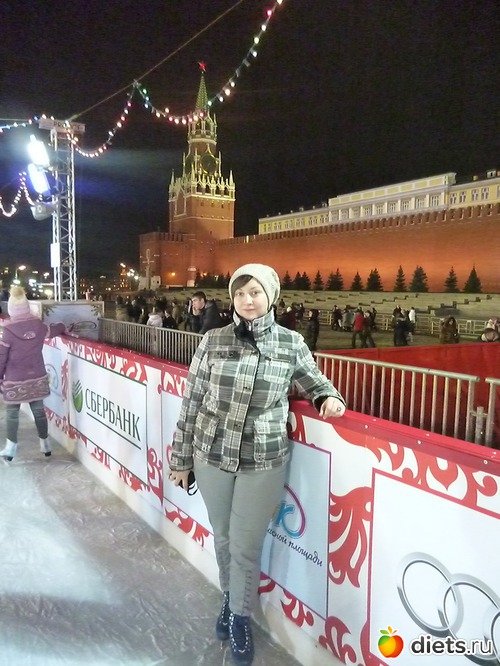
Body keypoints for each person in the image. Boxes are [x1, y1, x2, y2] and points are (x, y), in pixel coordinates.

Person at [168, 264, 346, 665]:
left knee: (245, 545)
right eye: (240, 293)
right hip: (212, 454)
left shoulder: (290, 342)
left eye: (255, 293)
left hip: (262, 458)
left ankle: (239, 617)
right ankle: (231, 598)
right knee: (223, 537)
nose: (247, 301)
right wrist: (181, 458)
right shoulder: (213, 340)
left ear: (271, 297)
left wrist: (328, 398)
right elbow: (192, 400)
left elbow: (315, 381)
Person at [0, 286, 66, 461]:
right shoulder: (38, 326)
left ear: (11, 309)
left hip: (14, 378)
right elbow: (53, 330)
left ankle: (10, 448)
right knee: (38, 411)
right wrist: (63, 325)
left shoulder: (8, 331)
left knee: (12, 413)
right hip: (37, 375)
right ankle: (45, 443)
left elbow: (1, 357)